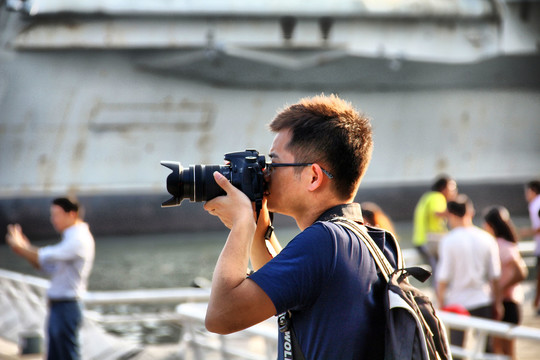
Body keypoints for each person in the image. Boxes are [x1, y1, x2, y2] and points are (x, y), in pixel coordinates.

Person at [203, 94, 398, 359]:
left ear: (313, 176)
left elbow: (220, 316)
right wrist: (258, 229)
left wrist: (241, 225)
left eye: (273, 162)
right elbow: (285, 290)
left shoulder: (324, 241)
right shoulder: (371, 240)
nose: (265, 173)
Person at [5, 197, 95, 360]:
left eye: (57, 215)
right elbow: (45, 265)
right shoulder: (71, 238)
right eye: (52, 215)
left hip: (67, 306)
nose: (53, 220)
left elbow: (45, 256)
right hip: (60, 306)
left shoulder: (78, 239)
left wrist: (22, 247)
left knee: (67, 355)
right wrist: (23, 250)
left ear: (72, 214)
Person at [436, 194, 502, 354]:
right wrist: (498, 303)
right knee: (488, 350)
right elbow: (495, 277)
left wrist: (440, 304)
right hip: (483, 299)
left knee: (456, 350)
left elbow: (443, 278)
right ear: (469, 212)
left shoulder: (448, 240)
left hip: (457, 302)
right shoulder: (487, 238)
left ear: (451, 215)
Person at [483, 205, 527, 360]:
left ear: (490, 225)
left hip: (506, 302)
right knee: (506, 351)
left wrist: (501, 288)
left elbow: (521, 272)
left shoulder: (499, 245)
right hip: (511, 301)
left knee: (500, 350)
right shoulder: (508, 244)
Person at [412, 175, 457, 274]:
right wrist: (457, 210)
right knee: (441, 272)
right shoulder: (437, 197)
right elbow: (437, 213)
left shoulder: (427, 196)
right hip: (430, 242)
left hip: (421, 240)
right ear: (443, 188)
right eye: (452, 187)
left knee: (437, 271)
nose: (454, 191)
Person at [521, 180, 540, 311]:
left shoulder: (536, 205)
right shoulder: (534, 204)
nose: (526, 194)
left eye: (528, 191)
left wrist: (525, 232)